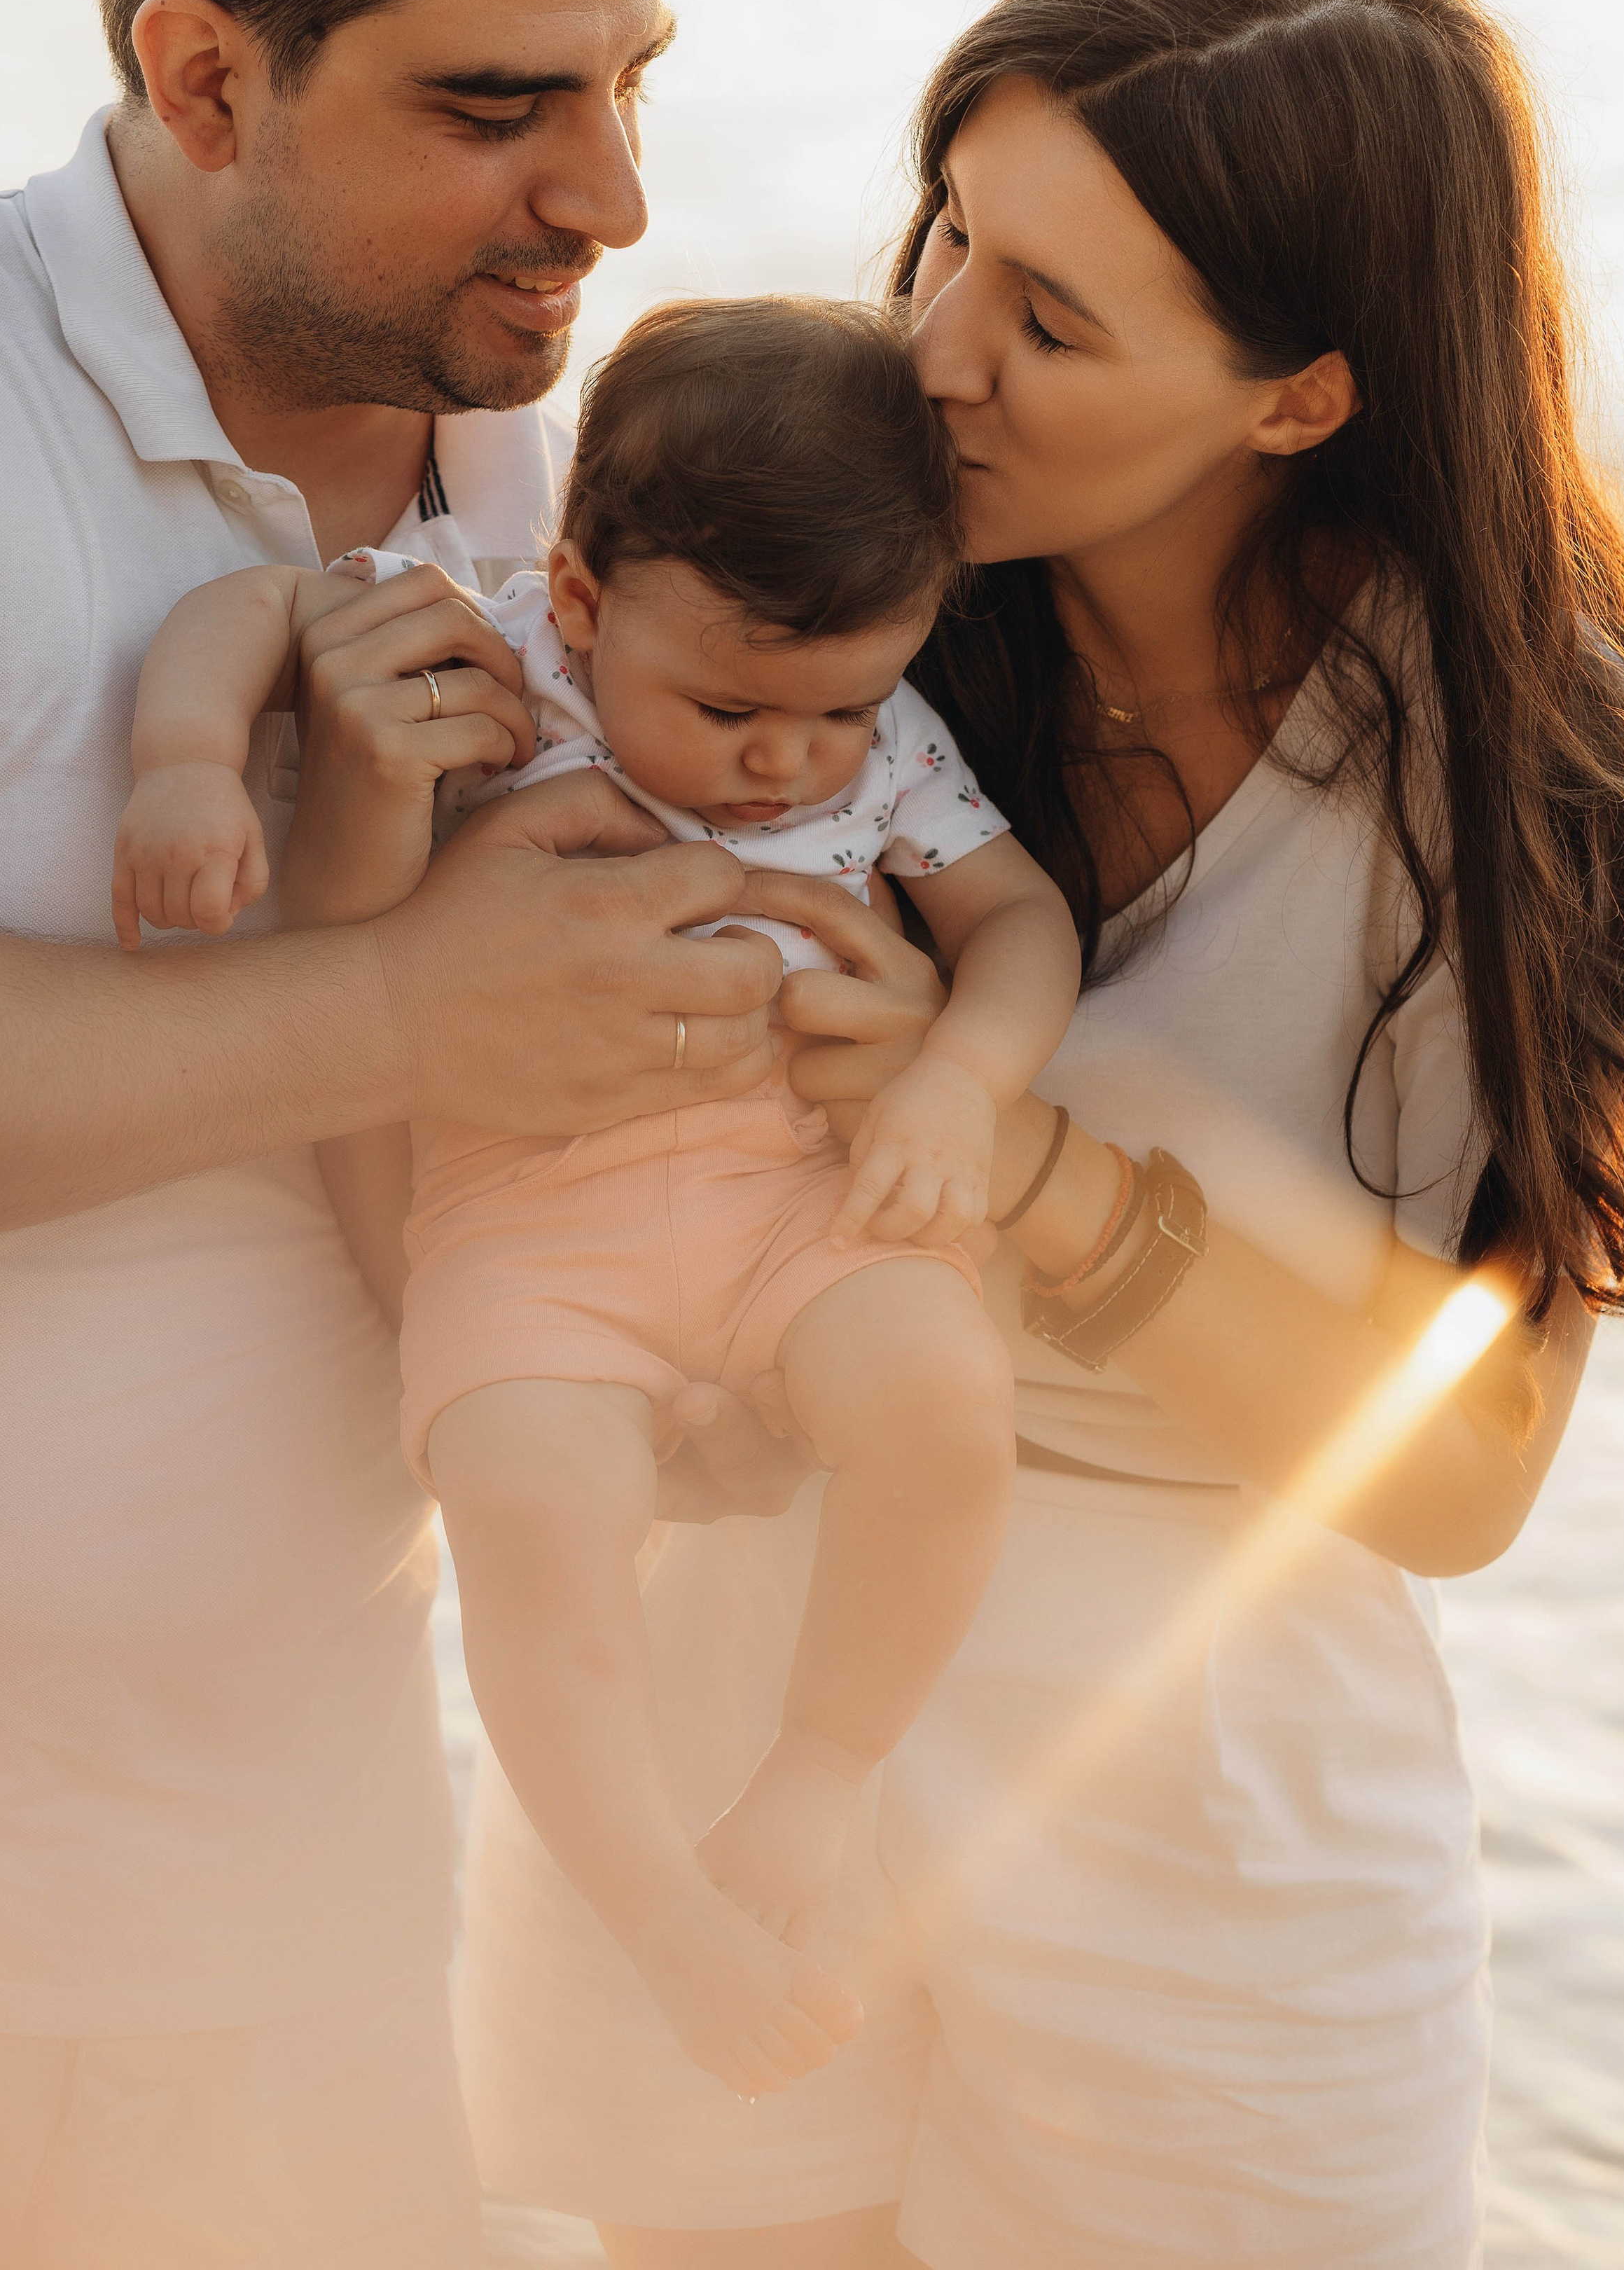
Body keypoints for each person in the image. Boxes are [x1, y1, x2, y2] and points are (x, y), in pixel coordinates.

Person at [442, 0, 1624, 2266]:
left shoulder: (1505, 757)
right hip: (717, 1693)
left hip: (1192, 1782)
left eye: (1049, 319)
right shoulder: (794, 609)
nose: (933, 357)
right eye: (948, 235)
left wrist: (1020, 1160)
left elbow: (1460, 1478)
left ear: (1299, 397)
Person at [0, 0, 807, 2270]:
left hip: (322, 1869)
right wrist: (403, 1008)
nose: (616, 198)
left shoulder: (541, 431)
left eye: (632, 78)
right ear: (206, 80)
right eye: (500, 103)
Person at [111, 291, 1078, 2098]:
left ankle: (820, 1770)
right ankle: (663, 1920)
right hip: (525, 1220)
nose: (791, 762)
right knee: (532, 1524)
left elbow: (1018, 922)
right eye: (728, 706)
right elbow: (250, 608)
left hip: (791, 1189)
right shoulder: (502, 664)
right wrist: (185, 761)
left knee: (944, 1405)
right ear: (580, 600)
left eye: (838, 709)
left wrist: (960, 1080)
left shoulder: (893, 741)